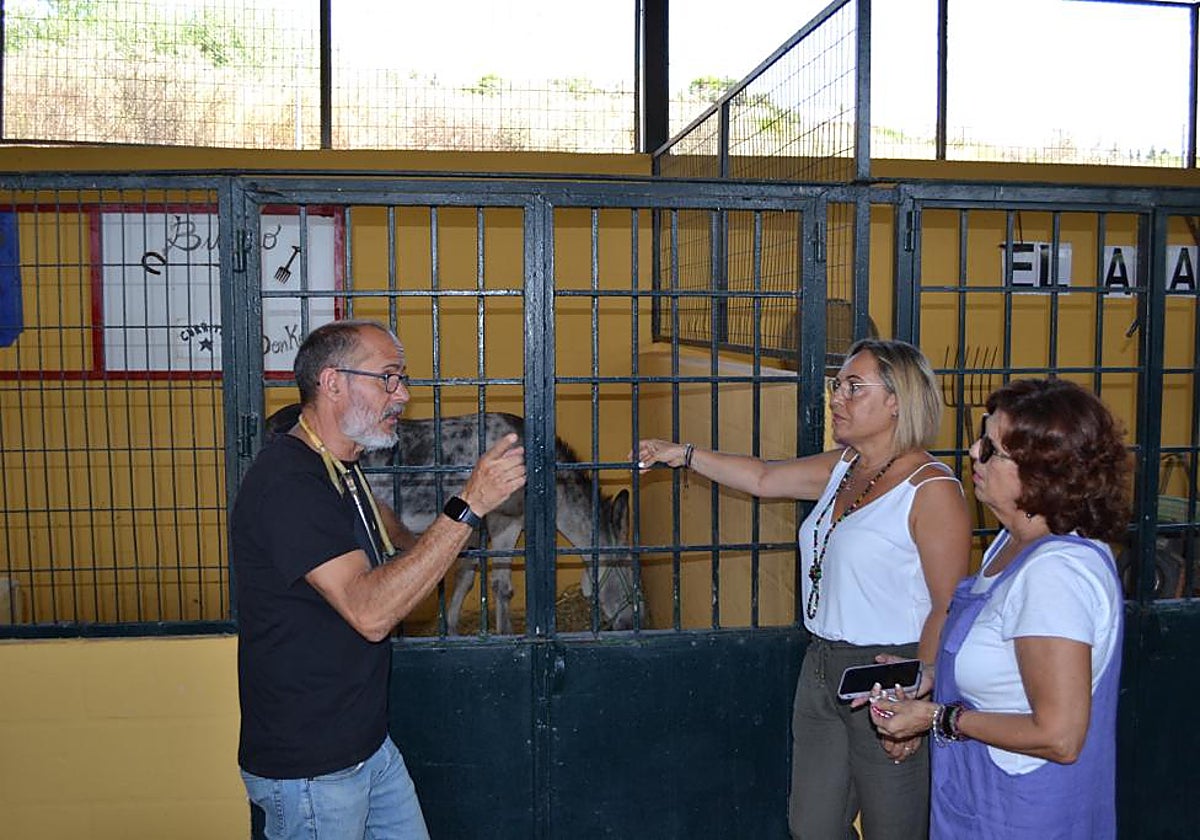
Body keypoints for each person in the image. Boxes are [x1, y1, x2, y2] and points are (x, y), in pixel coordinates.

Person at [633, 338, 971, 840]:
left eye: (853, 387)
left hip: (888, 669)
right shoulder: (846, 467)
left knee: (893, 826)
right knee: (812, 825)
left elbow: (948, 604)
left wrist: (918, 691)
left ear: (898, 399)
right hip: (821, 666)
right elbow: (765, 478)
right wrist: (682, 454)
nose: (836, 398)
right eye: (838, 386)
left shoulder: (931, 489)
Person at [233, 319, 526, 840]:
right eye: (387, 378)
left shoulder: (345, 468)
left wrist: (450, 535)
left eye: (402, 378)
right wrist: (468, 506)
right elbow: (370, 613)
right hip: (313, 770)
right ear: (332, 383)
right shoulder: (289, 485)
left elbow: (400, 555)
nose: (403, 395)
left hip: (366, 748)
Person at [869, 378, 1130, 839]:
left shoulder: (1055, 575)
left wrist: (936, 718)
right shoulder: (1011, 545)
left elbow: (1059, 736)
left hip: (1024, 813)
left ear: (1039, 472)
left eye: (991, 449)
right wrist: (928, 679)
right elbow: (1004, 670)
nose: (972, 452)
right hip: (978, 798)